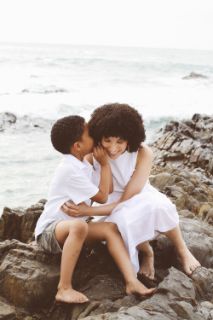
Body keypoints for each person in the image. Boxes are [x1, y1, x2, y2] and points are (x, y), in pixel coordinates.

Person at [63, 103, 201, 280]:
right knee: (121, 222)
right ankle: (147, 253)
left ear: (130, 138)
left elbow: (126, 200)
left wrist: (88, 211)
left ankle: (182, 249)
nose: (113, 148)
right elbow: (84, 190)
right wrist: (78, 212)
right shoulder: (92, 156)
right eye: (107, 140)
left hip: (138, 196)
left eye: (120, 141)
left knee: (161, 206)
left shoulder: (143, 153)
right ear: (99, 137)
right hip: (108, 203)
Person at [35, 115, 155, 305]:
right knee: (78, 227)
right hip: (49, 232)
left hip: (75, 227)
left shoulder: (84, 163)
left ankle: (131, 281)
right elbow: (101, 198)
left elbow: (105, 190)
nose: (96, 135)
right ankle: (64, 288)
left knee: (110, 228)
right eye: (90, 134)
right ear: (77, 146)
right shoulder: (69, 168)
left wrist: (103, 165)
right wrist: (106, 164)